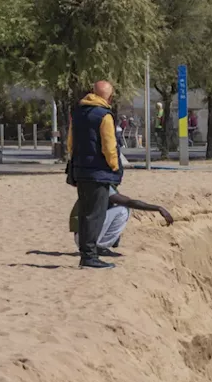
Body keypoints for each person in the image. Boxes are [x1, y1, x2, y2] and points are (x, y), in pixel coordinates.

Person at [67, 80, 124, 269]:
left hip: (80, 170)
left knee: (85, 213)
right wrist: (115, 167)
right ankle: (90, 257)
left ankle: (86, 255)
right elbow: (109, 146)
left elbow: (70, 142)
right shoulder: (104, 115)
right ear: (108, 96)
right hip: (98, 172)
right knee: (95, 215)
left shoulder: (78, 113)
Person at [70, 181, 174, 257]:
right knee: (123, 210)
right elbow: (129, 202)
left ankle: (100, 245)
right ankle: (99, 246)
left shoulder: (97, 183)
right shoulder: (103, 186)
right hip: (84, 237)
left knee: (117, 209)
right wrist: (158, 208)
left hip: (83, 235)